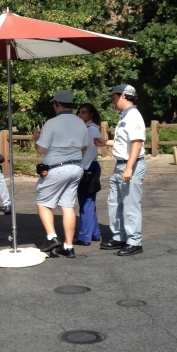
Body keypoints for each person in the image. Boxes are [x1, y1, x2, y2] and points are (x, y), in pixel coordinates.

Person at [32, 90, 88, 258]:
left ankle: (51, 237)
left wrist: (35, 140)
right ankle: (68, 245)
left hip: (56, 167)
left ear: (56, 104)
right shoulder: (81, 123)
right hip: (76, 167)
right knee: (68, 205)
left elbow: (42, 149)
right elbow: (84, 147)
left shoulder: (52, 123)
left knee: (43, 202)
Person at [93, 84, 146, 256]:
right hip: (121, 164)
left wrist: (129, 168)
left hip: (130, 164)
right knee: (114, 203)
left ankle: (134, 241)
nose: (112, 101)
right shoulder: (125, 117)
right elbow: (126, 143)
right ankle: (119, 236)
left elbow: (137, 143)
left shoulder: (134, 116)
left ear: (123, 95)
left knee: (130, 204)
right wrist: (105, 142)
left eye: (114, 97)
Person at [75, 103, 102, 246]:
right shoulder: (86, 128)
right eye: (79, 112)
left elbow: (92, 150)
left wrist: (82, 168)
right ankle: (94, 233)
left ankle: (85, 236)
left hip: (88, 166)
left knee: (86, 202)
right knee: (88, 201)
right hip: (88, 166)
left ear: (91, 115)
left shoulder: (92, 129)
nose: (80, 115)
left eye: (84, 112)